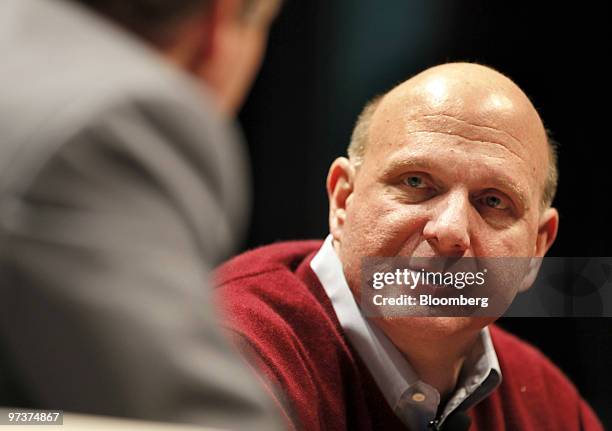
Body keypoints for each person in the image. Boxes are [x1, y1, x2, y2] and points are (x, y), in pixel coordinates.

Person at [216, 63, 604, 430]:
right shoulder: (234, 352)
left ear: (537, 248)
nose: (451, 230)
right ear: (342, 200)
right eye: (416, 182)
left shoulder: (546, 404)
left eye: (493, 201)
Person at [0, 0, 284, 429]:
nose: (428, 232)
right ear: (218, 24)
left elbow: (30, 416)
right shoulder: (118, 117)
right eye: (412, 184)